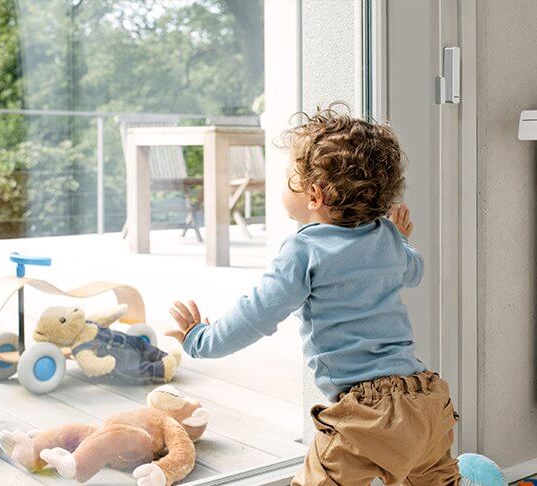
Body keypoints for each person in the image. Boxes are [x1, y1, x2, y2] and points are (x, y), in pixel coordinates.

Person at [168, 105, 460, 485]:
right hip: (424, 400)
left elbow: (257, 313)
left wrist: (201, 340)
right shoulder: (386, 236)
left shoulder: (304, 250)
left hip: (365, 414)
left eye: (290, 176)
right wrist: (401, 242)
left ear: (315, 195)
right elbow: (414, 271)